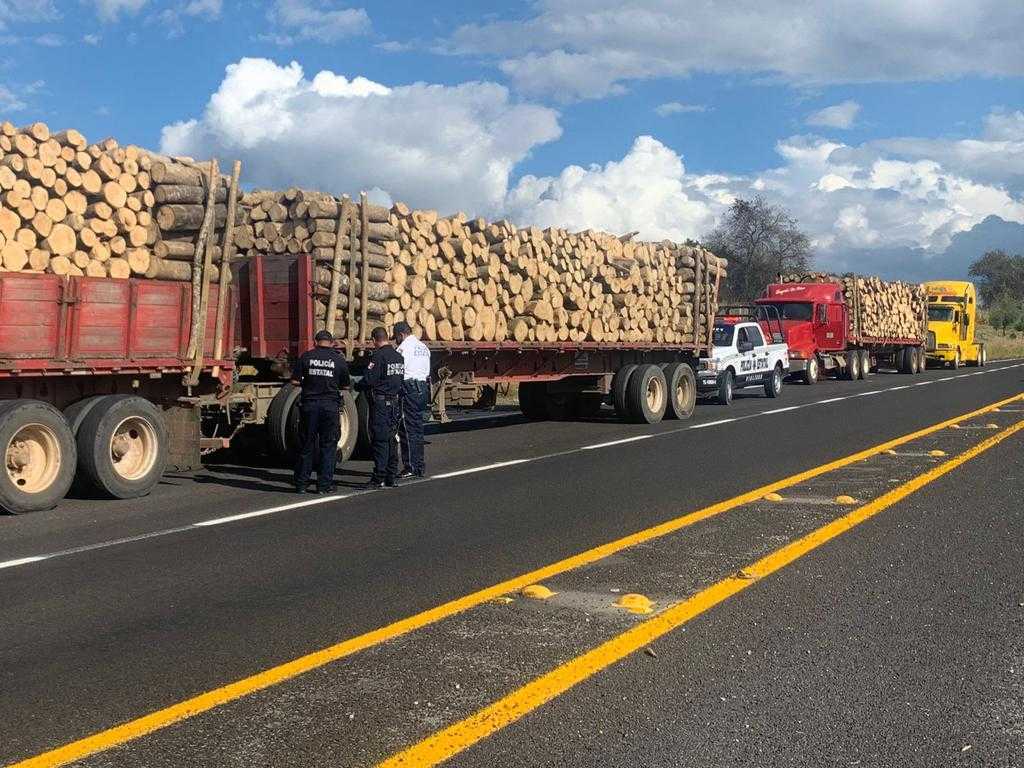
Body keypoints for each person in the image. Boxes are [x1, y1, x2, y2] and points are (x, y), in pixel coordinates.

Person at [291, 329, 350, 494]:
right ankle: (324, 486)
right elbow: (345, 385)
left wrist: (309, 384)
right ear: (331, 343)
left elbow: (295, 381)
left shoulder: (306, 357)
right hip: (330, 407)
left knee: (306, 445)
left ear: (315, 341)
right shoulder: (338, 360)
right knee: (328, 446)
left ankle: (301, 484)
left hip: (309, 406)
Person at [356, 326, 405, 488]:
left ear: (374, 340)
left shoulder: (378, 356)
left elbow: (369, 379)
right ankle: (391, 476)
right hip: (394, 402)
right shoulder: (398, 357)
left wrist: (357, 386)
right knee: (392, 439)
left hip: (381, 404)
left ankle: (379, 477)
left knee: (380, 440)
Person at [394, 321, 430, 478]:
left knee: (407, 429)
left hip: (409, 389)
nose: (395, 340)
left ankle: (410, 467)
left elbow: (399, 371)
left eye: (396, 337)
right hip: (422, 387)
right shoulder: (423, 347)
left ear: (401, 335)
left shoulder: (403, 348)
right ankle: (419, 465)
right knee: (418, 429)